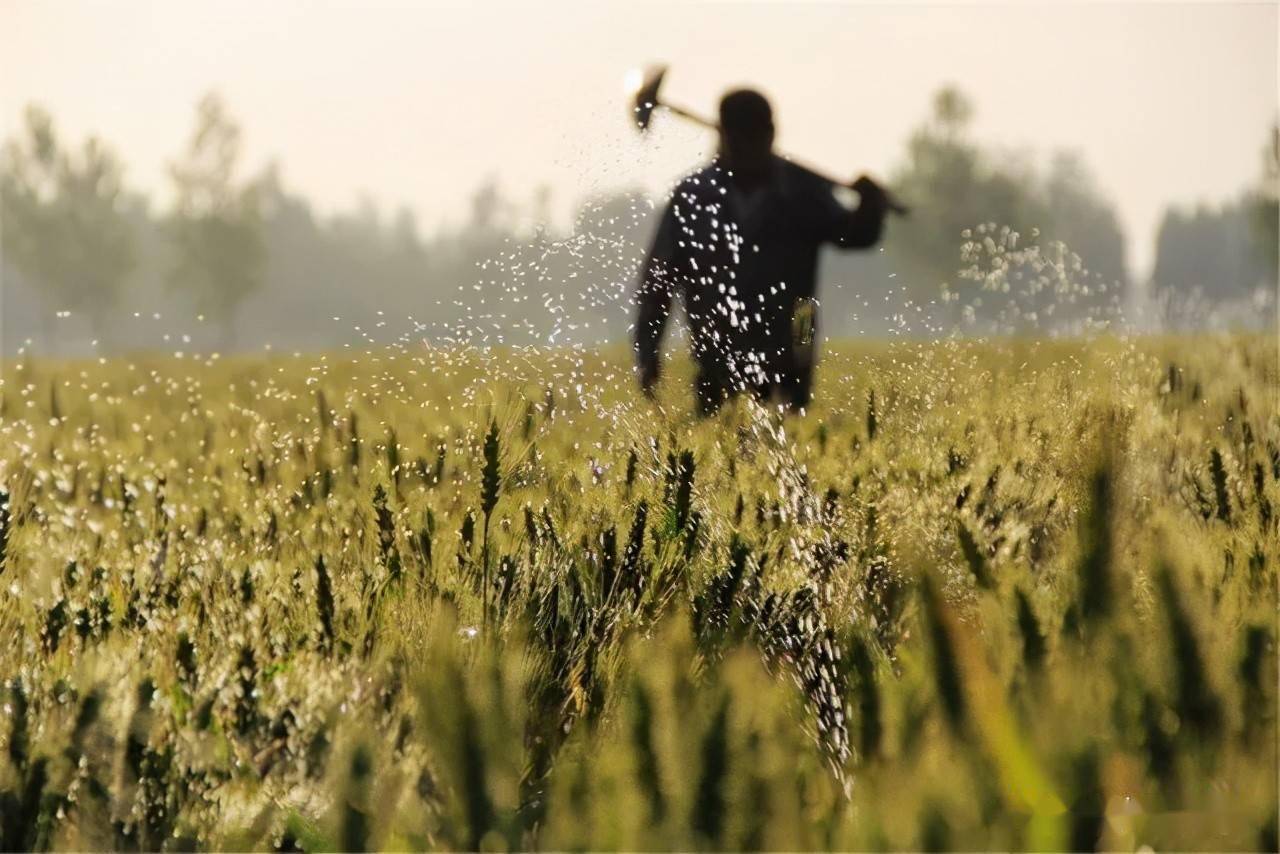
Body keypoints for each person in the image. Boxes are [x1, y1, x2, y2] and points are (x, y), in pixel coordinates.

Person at [633, 88, 891, 415]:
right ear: (722, 135)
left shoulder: (802, 190)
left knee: (791, 431)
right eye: (741, 138)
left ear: (771, 134)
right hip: (716, 352)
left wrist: (871, 208)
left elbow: (853, 236)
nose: (749, 149)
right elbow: (659, 283)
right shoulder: (693, 198)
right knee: (720, 444)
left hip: (794, 345)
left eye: (757, 136)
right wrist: (647, 353)